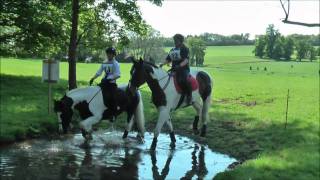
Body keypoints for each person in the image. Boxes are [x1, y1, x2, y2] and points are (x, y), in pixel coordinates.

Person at [89, 47, 120, 119]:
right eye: (108, 54)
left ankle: (114, 113)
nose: (109, 55)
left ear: (114, 55)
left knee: (112, 97)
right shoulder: (104, 62)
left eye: (111, 54)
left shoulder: (116, 63)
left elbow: (118, 74)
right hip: (104, 82)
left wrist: (109, 79)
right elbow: (99, 72)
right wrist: (93, 78)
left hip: (111, 84)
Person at [160, 34, 192, 104]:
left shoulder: (184, 48)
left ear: (180, 41)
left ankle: (189, 96)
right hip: (174, 69)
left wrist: (179, 66)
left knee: (183, 80)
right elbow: (168, 59)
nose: (175, 42)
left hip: (183, 69)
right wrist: (162, 64)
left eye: (176, 41)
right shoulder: (172, 50)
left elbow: (186, 60)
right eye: (174, 40)